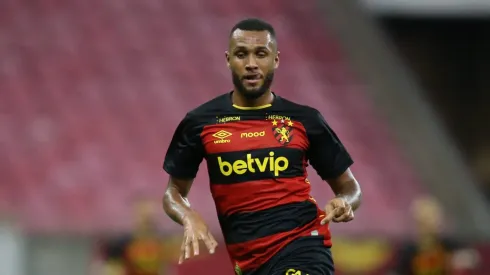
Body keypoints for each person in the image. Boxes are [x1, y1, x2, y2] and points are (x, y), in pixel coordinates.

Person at [162, 18, 362, 275]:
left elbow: (350, 187)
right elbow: (173, 192)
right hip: (249, 263)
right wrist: (187, 215)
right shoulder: (200, 122)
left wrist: (344, 202)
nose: (251, 64)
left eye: (261, 54)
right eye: (242, 54)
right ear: (228, 59)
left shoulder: (305, 120)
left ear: (275, 59)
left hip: (304, 246)